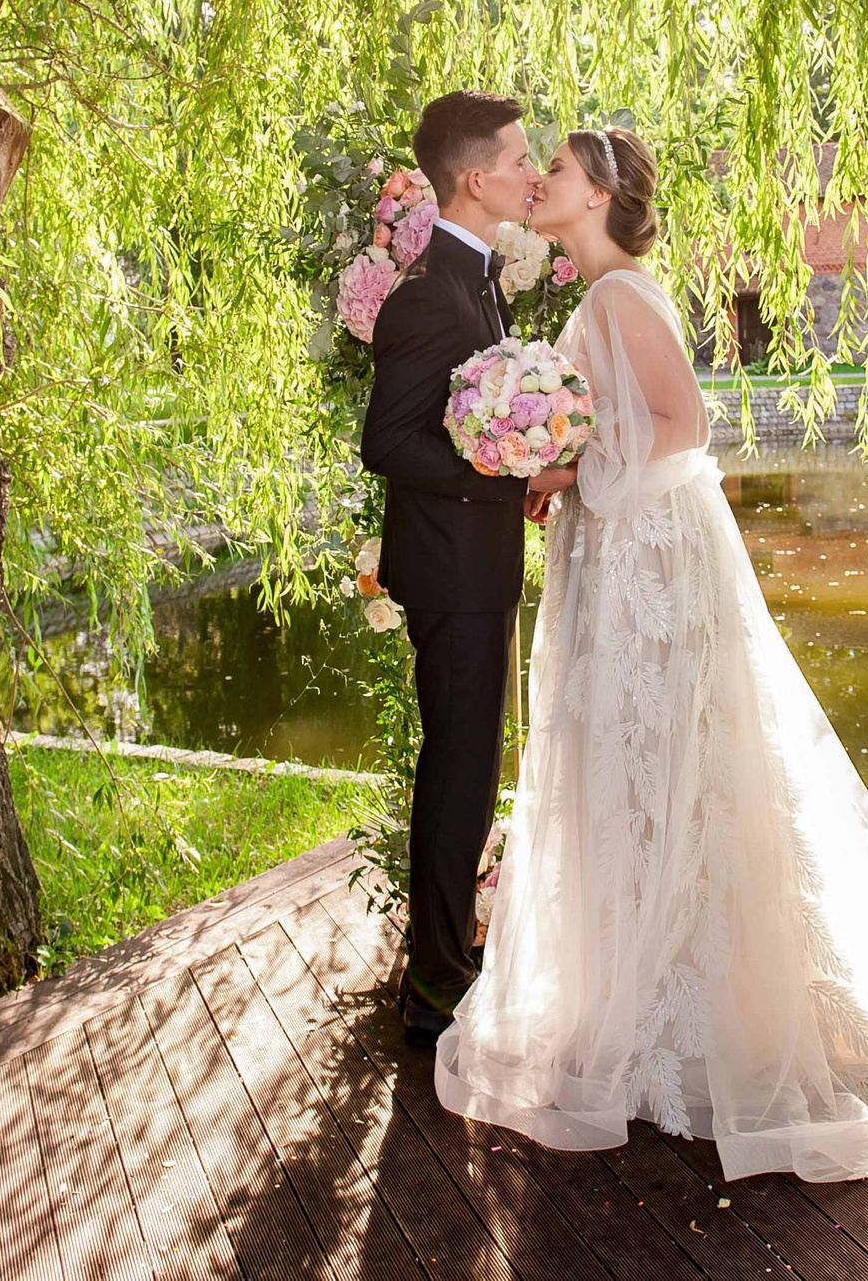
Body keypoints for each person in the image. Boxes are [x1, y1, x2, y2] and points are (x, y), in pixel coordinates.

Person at [433, 124, 868, 1180]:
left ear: (601, 194)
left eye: (559, 172)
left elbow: (684, 425)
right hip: (620, 557)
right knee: (636, 774)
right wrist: (559, 457)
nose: (540, 182)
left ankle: (690, 1023)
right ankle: (647, 1009)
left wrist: (574, 470)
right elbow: (629, 422)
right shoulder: (594, 299)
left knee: (665, 769)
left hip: (648, 563)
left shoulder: (622, 296)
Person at [361, 90, 579, 1045]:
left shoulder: (478, 276)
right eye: (521, 159)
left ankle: (449, 960)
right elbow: (388, 442)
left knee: (470, 768)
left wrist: (512, 464)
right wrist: (504, 467)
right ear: (475, 176)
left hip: (473, 564)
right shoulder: (426, 295)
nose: (533, 173)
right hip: (451, 575)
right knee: (459, 773)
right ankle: (436, 985)